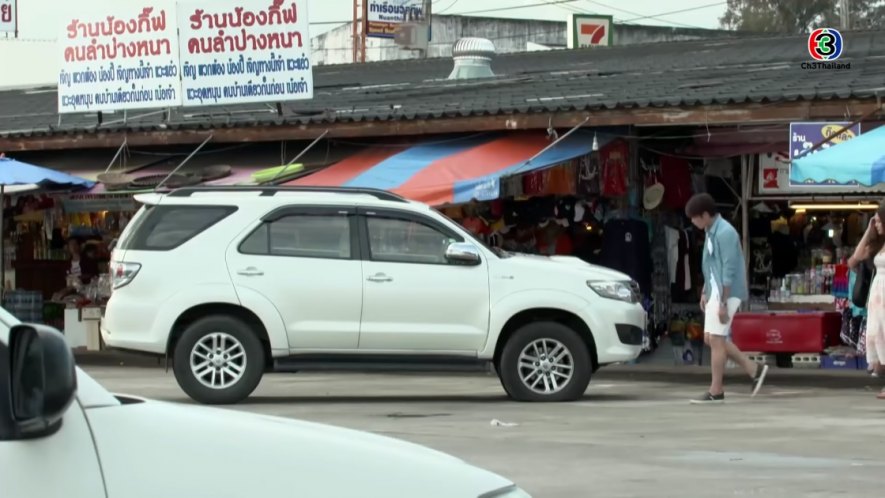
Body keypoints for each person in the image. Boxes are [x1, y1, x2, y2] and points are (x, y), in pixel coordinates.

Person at [685, 193, 768, 404]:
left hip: (727, 292)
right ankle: (753, 369)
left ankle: (716, 390)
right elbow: (711, 265)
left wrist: (722, 302)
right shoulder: (711, 231)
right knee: (711, 338)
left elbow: (729, 269)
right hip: (716, 289)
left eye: (694, 218)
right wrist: (705, 291)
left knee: (717, 339)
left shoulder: (725, 233)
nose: (693, 222)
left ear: (704, 215)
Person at [847, 202, 885, 399]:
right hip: (878, 295)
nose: (876, 224)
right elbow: (855, 258)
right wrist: (869, 230)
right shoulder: (878, 244)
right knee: (879, 335)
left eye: (879, 221)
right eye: (875, 222)